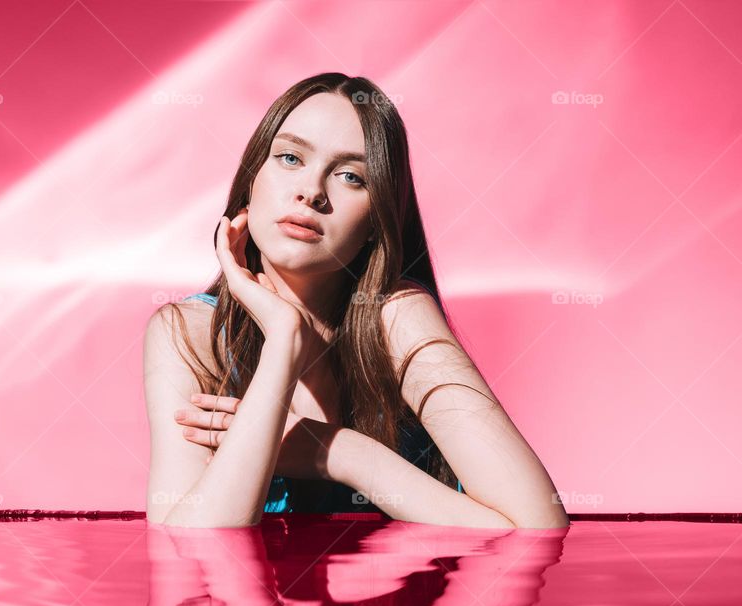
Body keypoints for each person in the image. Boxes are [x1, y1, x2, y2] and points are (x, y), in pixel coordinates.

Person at [143, 72, 569, 529]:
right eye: (290, 158)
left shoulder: (397, 315)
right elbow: (188, 547)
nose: (311, 192)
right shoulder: (188, 333)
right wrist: (283, 341)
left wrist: (345, 454)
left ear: (376, 221)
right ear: (252, 182)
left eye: (350, 176)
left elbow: (539, 526)